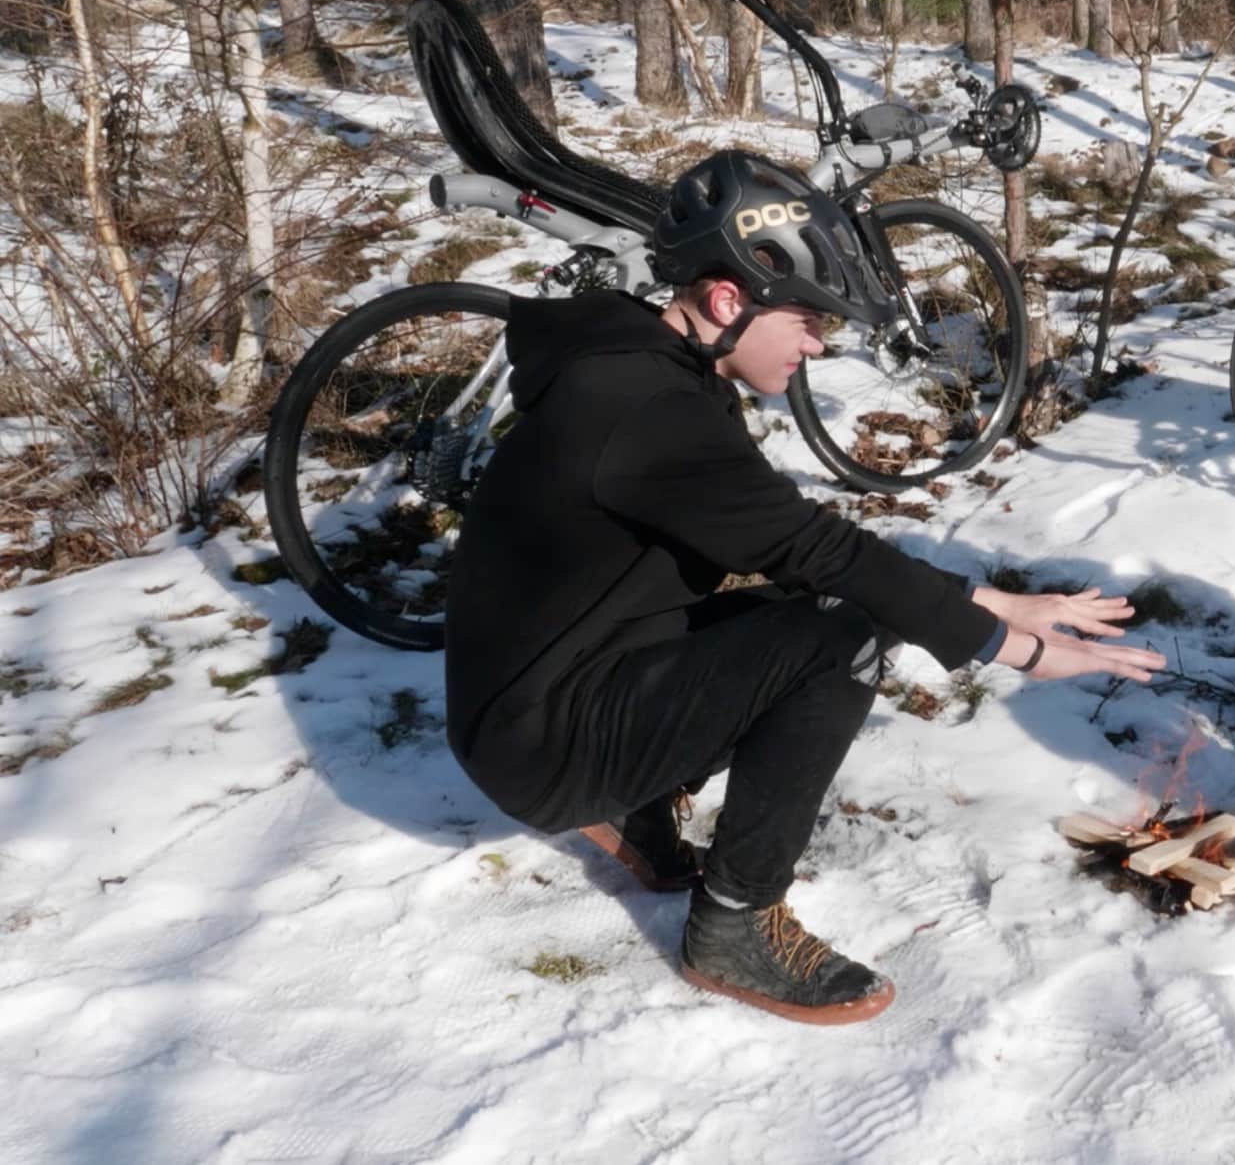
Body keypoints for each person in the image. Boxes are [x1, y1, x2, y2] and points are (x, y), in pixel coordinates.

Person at [444, 149, 1164, 1025]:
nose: (819, 345)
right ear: (725, 301)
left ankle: (636, 806)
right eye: (809, 321)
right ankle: (736, 923)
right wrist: (1012, 647)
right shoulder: (649, 413)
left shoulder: (648, 365)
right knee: (841, 636)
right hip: (543, 739)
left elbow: (807, 549)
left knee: (821, 609)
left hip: (556, 689)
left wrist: (1005, 604)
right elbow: (824, 556)